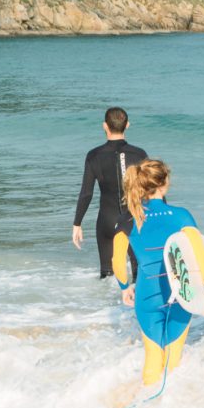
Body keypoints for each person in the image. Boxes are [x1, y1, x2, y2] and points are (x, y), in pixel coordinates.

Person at [112, 159, 198, 386]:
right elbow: (200, 258)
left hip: (146, 293)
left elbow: (117, 262)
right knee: (173, 354)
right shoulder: (182, 216)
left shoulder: (128, 219)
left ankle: (147, 406)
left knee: (152, 354)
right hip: (180, 292)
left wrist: (124, 288)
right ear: (165, 182)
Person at [73, 107, 146, 279]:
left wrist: (77, 223)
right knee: (138, 271)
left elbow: (86, 193)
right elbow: (150, 188)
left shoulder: (94, 155)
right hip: (132, 219)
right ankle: (134, 305)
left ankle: (107, 306)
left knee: (107, 274)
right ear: (127, 125)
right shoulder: (139, 154)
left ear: (105, 126)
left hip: (106, 220)